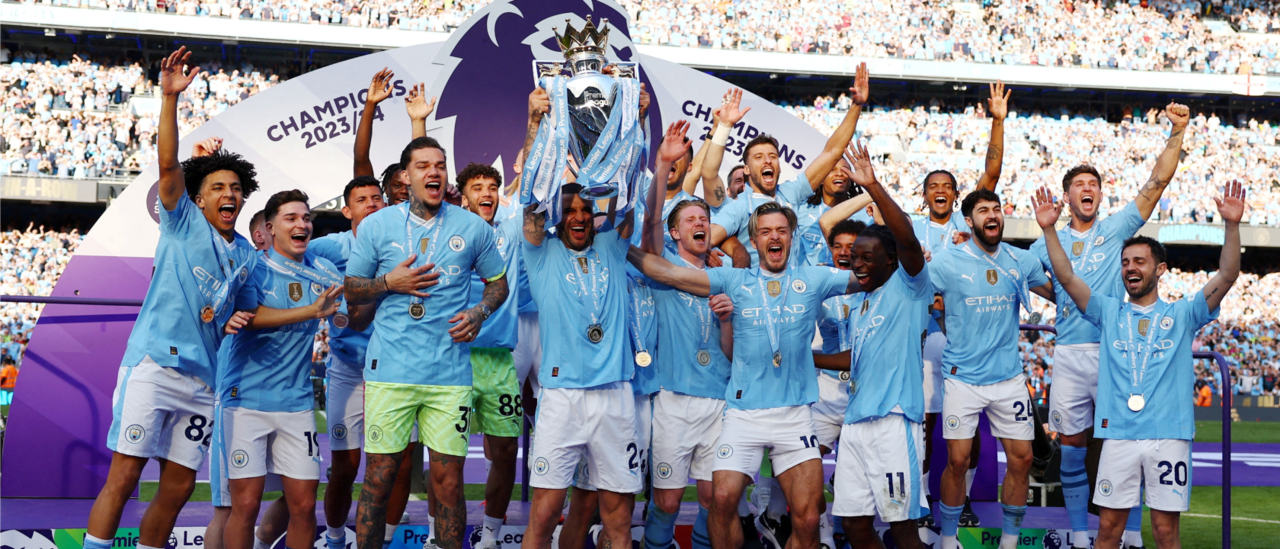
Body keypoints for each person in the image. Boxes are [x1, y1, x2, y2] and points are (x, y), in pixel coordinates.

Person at [82, 48, 262, 549]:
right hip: (154, 368)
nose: (229, 194)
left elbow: (250, 308)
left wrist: (282, 313)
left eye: (236, 188)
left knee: (179, 488)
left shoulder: (247, 255)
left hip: (203, 382)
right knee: (125, 475)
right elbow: (167, 163)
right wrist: (168, 99)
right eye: (217, 187)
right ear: (198, 199)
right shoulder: (182, 223)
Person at [627, 200, 868, 549]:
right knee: (722, 501)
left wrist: (905, 261)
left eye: (782, 230)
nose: (775, 237)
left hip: (795, 415)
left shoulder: (815, 277)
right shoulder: (733, 278)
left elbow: (870, 278)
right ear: (754, 241)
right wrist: (619, 247)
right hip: (742, 415)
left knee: (808, 517)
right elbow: (670, 274)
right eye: (766, 231)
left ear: (792, 236)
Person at [1030, 181, 1243, 549]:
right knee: (1108, 532)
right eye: (1125, 262)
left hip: (1169, 437)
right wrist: (1049, 230)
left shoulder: (1184, 313)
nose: (1130, 268)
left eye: (1139, 262)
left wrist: (1232, 225)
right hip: (1119, 437)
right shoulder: (1107, 311)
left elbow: (1227, 275)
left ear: (1160, 269)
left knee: (1164, 532)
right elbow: (1066, 277)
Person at [1027, 103, 1190, 549]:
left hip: (1115, 352)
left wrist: (1176, 132)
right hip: (1069, 352)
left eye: (1093, 184)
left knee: (1126, 441)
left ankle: (1131, 535)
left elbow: (1156, 183)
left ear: (1100, 195)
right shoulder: (1047, 241)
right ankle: (1081, 535)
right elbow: (1037, 282)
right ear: (1066, 196)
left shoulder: (1118, 228)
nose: (1088, 189)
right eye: (1079, 184)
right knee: (1071, 449)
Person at [344, 136, 509, 549]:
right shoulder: (378, 225)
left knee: (449, 483)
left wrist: (479, 312)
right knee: (379, 479)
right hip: (390, 373)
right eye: (423, 166)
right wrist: (388, 282)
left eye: (440, 165)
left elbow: (498, 284)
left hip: (449, 375)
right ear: (406, 176)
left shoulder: (472, 227)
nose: (433, 172)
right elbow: (351, 289)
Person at [517, 74, 647, 549]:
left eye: (585, 210)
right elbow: (531, 201)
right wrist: (536, 125)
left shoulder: (612, 244)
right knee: (544, 514)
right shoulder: (541, 250)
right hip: (562, 397)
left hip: (615, 395)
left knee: (618, 518)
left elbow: (630, 190)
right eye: (568, 209)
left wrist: (635, 119)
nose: (577, 216)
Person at [813, 141, 930, 549]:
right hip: (856, 423)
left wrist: (873, 187)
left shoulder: (909, 287)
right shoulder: (861, 302)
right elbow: (855, 359)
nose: (856, 263)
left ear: (891, 260)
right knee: (854, 524)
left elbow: (908, 240)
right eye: (854, 257)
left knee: (902, 529)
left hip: (893, 423)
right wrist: (809, 358)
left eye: (866, 257)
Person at [217, 189, 344, 549]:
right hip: (246, 402)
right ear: (270, 229)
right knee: (245, 506)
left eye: (306, 218)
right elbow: (250, 316)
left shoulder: (324, 270)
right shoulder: (253, 267)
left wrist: (373, 297)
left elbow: (349, 315)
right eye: (291, 218)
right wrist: (312, 311)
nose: (302, 224)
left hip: (297, 404)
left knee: (303, 508)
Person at [928, 189, 1055, 549]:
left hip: (1008, 378)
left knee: (1023, 458)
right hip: (962, 379)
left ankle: (1009, 543)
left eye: (996, 209)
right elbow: (915, 297)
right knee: (957, 461)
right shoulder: (947, 262)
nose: (992, 215)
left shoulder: (1020, 259)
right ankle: (949, 540)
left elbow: (1058, 293)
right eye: (983, 210)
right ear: (969, 220)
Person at [913, 82, 1010, 529]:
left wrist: (997, 121)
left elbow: (992, 171)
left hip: (960, 339)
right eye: (932, 186)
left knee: (964, 429)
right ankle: (920, 504)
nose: (940, 191)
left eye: (947, 187)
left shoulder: (967, 222)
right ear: (924, 195)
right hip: (921, 337)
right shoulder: (910, 228)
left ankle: (962, 500)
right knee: (924, 424)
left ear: (956, 197)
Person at [639, 122, 737, 549]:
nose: (700, 223)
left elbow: (731, 352)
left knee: (716, 500)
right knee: (667, 501)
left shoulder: (727, 274)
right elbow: (650, 222)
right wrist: (663, 164)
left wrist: (728, 319)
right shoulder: (661, 266)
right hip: (674, 400)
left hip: (718, 400)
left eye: (704, 219)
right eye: (690, 220)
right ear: (676, 232)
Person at [308, 175, 410, 549]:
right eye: (362, 200)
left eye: (376, 198)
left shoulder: (403, 242)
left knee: (399, 467)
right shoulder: (331, 246)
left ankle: (385, 542)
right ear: (347, 210)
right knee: (345, 468)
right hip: (348, 371)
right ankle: (335, 540)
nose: (371, 204)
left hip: (397, 369)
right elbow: (289, 250)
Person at [707, 64, 869, 269]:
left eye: (772, 156)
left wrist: (856, 106)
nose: (767, 161)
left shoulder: (791, 192)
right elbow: (704, 237)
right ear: (746, 169)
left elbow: (832, 152)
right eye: (759, 157)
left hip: (795, 286)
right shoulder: (740, 207)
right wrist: (712, 249)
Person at [453, 162, 524, 549]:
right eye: (477, 187)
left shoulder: (509, 231)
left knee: (507, 449)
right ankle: (437, 535)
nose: (487, 193)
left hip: (499, 361)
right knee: (448, 455)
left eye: (493, 187)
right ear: (463, 197)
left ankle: (491, 537)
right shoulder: (449, 233)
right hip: (456, 359)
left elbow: (533, 184)